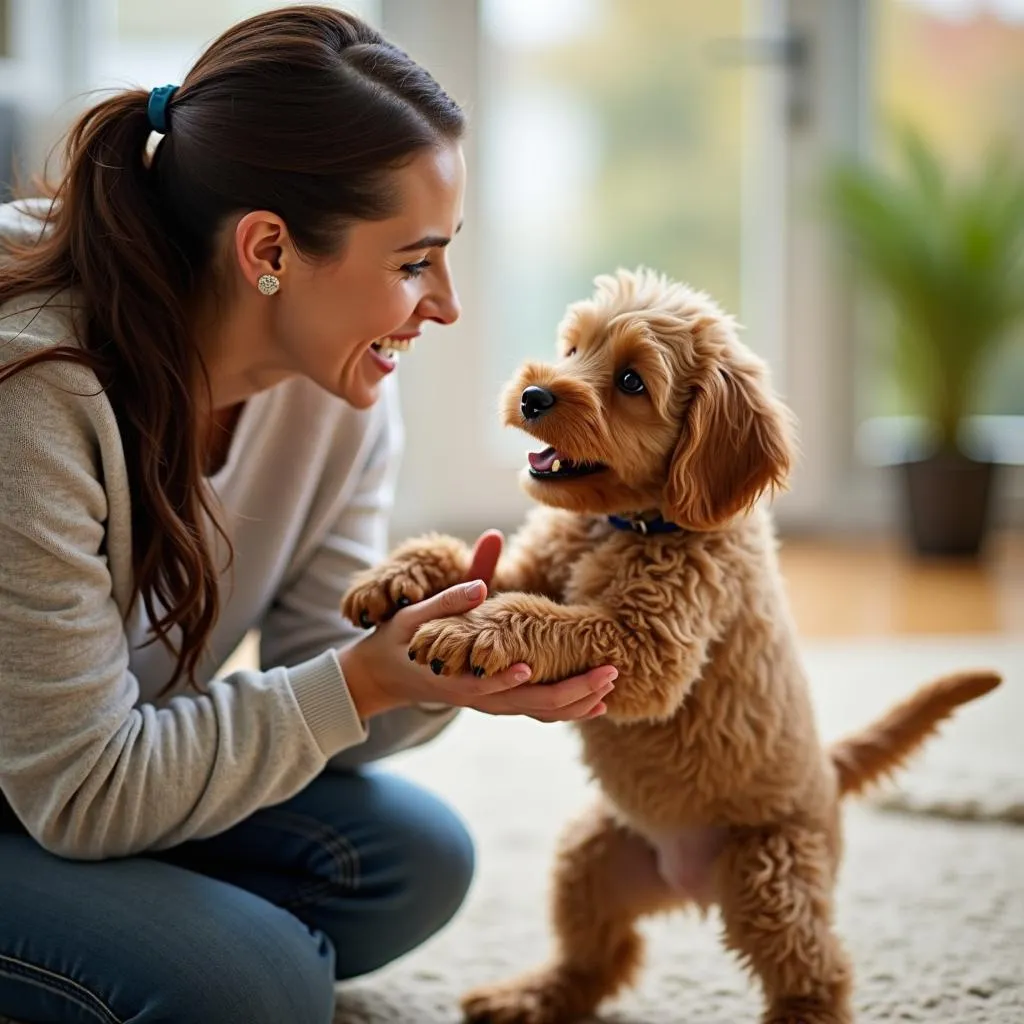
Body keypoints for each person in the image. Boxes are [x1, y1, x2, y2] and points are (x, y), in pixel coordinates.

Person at [0, 7, 619, 1022]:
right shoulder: (33, 386)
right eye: (414, 261)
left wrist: (439, 664)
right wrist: (359, 680)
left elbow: (320, 665)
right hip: (56, 786)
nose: (446, 304)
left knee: (410, 860)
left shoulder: (332, 384)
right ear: (269, 248)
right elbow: (83, 787)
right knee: (257, 985)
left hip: (47, 783)